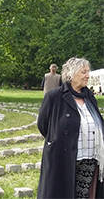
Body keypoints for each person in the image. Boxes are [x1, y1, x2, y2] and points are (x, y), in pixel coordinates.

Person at [37, 57, 104, 199]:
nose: (88, 75)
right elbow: (43, 125)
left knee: (84, 195)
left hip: (90, 159)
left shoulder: (90, 97)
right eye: (83, 72)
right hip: (63, 158)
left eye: (88, 72)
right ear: (71, 74)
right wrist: (57, 140)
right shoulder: (54, 97)